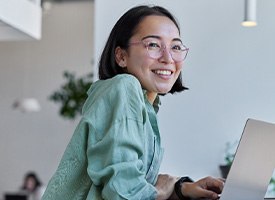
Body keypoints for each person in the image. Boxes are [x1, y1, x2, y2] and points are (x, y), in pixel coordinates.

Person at [42, 5, 224, 200]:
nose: (168, 58)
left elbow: (130, 178)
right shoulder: (123, 87)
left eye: (176, 47)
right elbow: (123, 191)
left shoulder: (146, 105)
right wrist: (160, 192)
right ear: (121, 56)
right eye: (153, 44)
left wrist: (181, 188)